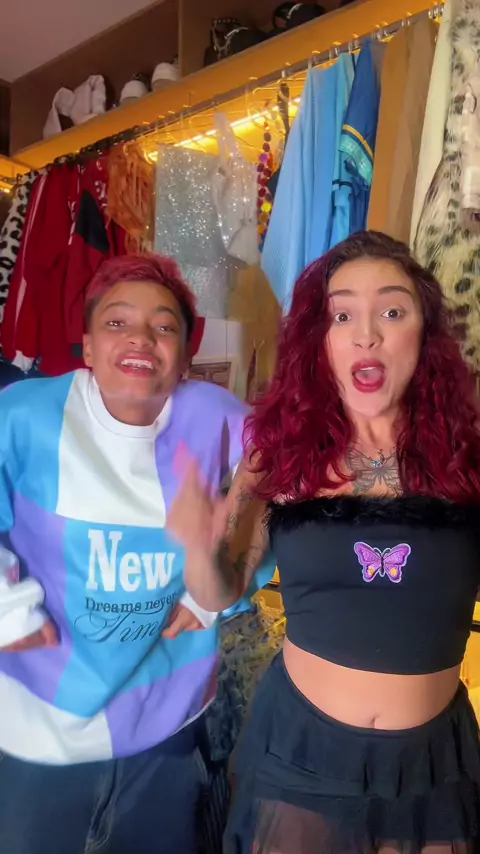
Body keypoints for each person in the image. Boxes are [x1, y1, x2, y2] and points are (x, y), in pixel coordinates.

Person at [168, 231, 480, 853]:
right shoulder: (281, 453)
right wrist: (200, 550)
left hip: (431, 766)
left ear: (424, 331)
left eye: (392, 312)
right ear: (321, 340)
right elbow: (223, 589)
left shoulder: (468, 452)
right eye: (342, 316)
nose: (366, 335)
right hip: (301, 758)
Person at [0, 253, 273, 854]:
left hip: (165, 732)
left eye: (164, 326)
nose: (141, 338)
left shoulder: (216, 417)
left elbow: (284, 486)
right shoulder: (22, 415)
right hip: (34, 729)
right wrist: (7, 610)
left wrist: (213, 596)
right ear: (87, 346)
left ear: (185, 355)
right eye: (117, 322)